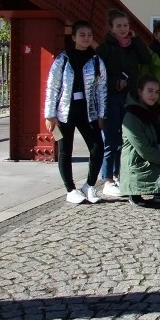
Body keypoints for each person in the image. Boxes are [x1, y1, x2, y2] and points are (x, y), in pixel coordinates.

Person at [44, 20, 107, 204]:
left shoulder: (96, 61)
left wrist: (102, 114)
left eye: (89, 35)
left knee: (97, 147)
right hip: (65, 112)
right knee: (65, 150)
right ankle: (70, 189)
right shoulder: (62, 59)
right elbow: (53, 87)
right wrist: (50, 114)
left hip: (88, 112)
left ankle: (89, 184)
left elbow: (101, 89)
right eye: (82, 35)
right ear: (74, 38)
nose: (86, 38)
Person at [96, 9, 151, 198]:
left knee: (125, 139)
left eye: (125, 25)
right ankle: (108, 179)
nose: (123, 29)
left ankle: (120, 175)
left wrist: (136, 40)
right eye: (118, 26)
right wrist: (114, 82)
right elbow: (97, 76)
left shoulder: (132, 46)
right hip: (111, 97)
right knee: (110, 139)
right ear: (111, 28)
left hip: (129, 97)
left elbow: (147, 58)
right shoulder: (104, 49)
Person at [119, 75, 160, 207]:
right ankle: (137, 193)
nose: (154, 95)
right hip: (138, 164)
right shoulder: (131, 117)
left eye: (157, 92)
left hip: (154, 158)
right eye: (150, 91)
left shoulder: (154, 112)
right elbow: (144, 150)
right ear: (139, 92)